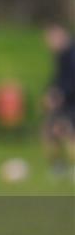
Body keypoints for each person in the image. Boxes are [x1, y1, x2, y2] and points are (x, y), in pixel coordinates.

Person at [43, 24, 75, 178]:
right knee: (51, 133)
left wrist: (60, 94)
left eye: (52, 38)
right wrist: (50, 92)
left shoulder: (71, 54)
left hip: (70, 101)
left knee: (67, 133)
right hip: (64, 100)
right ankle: (59, 167)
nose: (49, 43)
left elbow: (70, 79)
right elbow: (58, 78)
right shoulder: (62, 55)